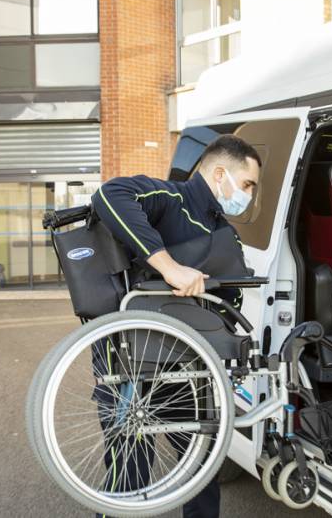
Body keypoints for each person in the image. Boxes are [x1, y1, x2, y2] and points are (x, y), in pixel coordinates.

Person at [90, 134, 262, 518]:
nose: (249, 194)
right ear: (221, 174)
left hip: (188, 363)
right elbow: (110, 195)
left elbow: (227, 297)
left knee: (201, 466)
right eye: (247, 184)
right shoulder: (171, 197)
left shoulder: (223, 228)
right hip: (132, 359)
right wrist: (169, 267)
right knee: (130, 468)